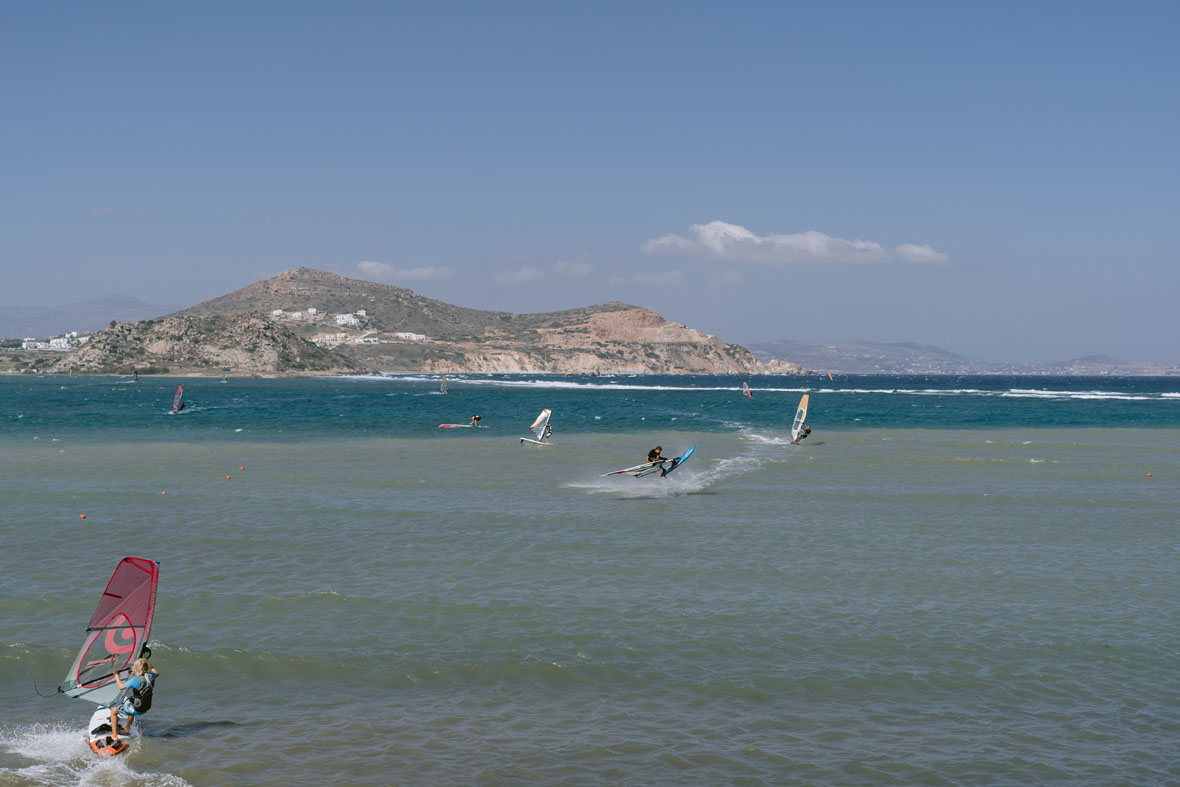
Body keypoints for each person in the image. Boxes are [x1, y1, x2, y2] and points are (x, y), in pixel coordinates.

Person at [108, 657, 159, 742]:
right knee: (131, 701)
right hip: (146, 707)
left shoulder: (135, 679)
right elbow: (156, 672)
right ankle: (127, 727)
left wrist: (116, 675)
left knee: (113, 711)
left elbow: (121, 687)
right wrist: (148, 663)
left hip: (137, 709)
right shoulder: (151, 676)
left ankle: (114, 736)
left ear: (136, 669)